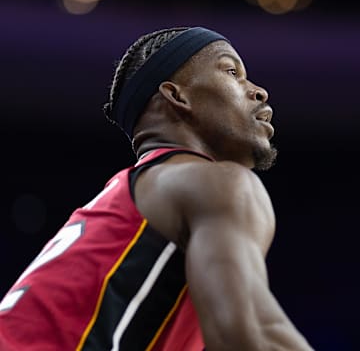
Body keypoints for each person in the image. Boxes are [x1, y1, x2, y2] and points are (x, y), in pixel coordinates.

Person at [0, 26, 314, 350]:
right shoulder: (215, 182)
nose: (259, 91)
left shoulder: (135, 194)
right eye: (232, 71)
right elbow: (248, 337)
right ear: (177, 96)